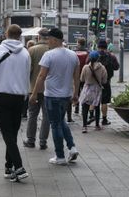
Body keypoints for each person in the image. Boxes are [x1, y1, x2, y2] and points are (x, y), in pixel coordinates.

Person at [30, 27, 80, 167]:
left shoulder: (49, 55)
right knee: (61, 121)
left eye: (48, 40)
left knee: (55, 124)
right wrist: (75, 94)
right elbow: (76, 77)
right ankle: (72, 147)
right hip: (66, 95)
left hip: (52, 95)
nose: (47, 43)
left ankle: (60, 156)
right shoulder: (72, 55)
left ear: (54, 40)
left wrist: (34, 94)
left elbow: (41, 76)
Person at [0, 24, 31, 182]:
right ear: (19, 35)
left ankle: (18, 166)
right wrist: (25, 94)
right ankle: (8, 167)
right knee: (12, 133)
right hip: (19, 96)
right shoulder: (25, 52)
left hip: (2, 95)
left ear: (6, 34)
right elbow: (27, 75)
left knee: (7, 133)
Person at [24, 28, 50, 150]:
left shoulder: (32, 50)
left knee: (32, 115)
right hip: (49, 89)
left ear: (38, 37)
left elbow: (28, 70)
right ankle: (43, 141)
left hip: (33, 87)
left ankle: (30, 140)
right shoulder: (52, 50)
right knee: (46, 116)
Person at [78, 51, 107, 133]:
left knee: (85, 107)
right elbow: (104, 80)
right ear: (98, 58)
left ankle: (84, 126)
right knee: (97, 107)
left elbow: (81, 79)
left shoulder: (85, 67)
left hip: (87, 88)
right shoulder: (102, 68)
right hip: (97, 89)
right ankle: (97, 125)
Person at [95, 40, 119, 125]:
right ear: (106, 47)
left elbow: (87, 65)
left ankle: (92, 117)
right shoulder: (111, 56)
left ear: (98, 46)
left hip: (94, 82)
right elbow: (116, 67)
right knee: (104, 101)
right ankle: (104, 119)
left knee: (94, 100)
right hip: (106, 82)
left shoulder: (94, 55)